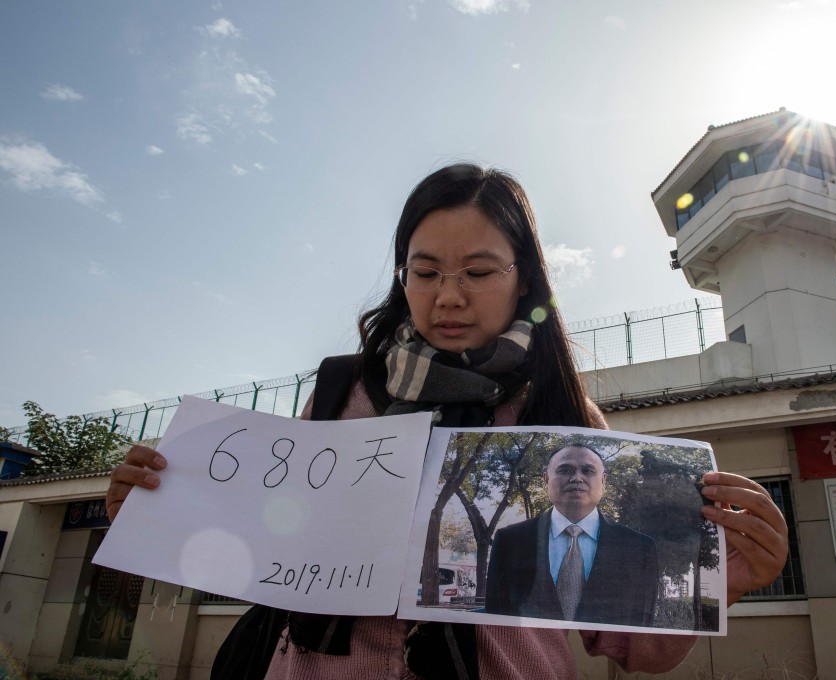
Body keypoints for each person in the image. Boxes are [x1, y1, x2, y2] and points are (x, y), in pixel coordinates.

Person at [105, 163, 790, 680]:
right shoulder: (341, 393)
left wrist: (719, 579)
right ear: (401, 276)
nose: (448, 296)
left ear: (524, 278)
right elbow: (267, 543)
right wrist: (158, 511)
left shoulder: (567, 426)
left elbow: (632, 643)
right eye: (424, 271)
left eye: (479, 271)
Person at [485, 444, 659, 626]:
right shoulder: (510, 541)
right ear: (546, 479)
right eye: (565, 470)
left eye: (588, 471)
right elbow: (495, 618)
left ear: (604, 481)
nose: (577, 478)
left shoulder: (639, 549)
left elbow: (641, 625)